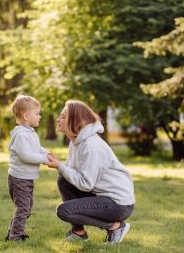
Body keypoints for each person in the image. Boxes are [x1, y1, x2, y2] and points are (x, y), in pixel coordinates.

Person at [45, 100, 135, 245]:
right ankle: (78, 233)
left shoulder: (91, 145)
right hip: (102, 196)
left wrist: (60, 167)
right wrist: (60, 165)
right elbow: (72, 175)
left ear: (75, 120)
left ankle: (115, 227)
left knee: (64, 211)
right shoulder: (76, 142)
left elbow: (86, 184)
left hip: (119, 204)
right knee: (64, 181)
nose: (58, 119)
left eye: (63, 116)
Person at [5, 95, 50, 242]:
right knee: (24, 208)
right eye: (37, 114)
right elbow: (26, 155)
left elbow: (36, 148)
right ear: (26, 116)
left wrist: (46, 153)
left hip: (26, 178)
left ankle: (13, 231)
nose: (40, 116)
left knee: (27, 208)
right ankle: (15, 236)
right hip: (19, 179)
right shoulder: (21, 135)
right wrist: (43, 159)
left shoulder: (29, 132)